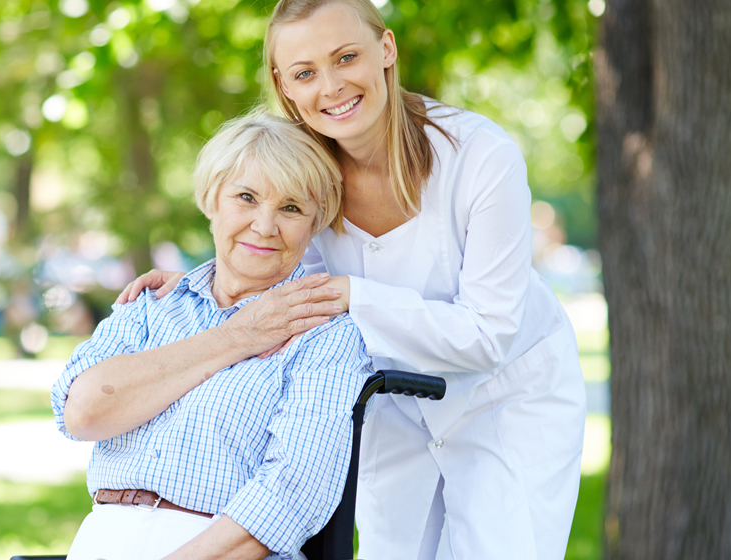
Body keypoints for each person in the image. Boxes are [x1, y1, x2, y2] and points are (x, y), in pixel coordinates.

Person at [117, 1, 587, 558]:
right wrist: (206, 280)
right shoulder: (303, 174)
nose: (332, 86)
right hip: (389, 394)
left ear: (385, 50)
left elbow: (489, 335)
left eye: (346, 58)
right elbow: (271, 263)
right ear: (281, 83)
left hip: (506, 393)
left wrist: (352, 297)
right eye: (305, 73)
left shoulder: (481, 157)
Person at [53, 112, 371, 560]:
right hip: (102, 538)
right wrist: (239, 336)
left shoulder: (325, 335)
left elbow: (294, 493)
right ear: (211, 200)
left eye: (291, 208)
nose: (265, 225)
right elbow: (82, 413)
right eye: (246, 197)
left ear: (316, 222)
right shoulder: (151, 305)